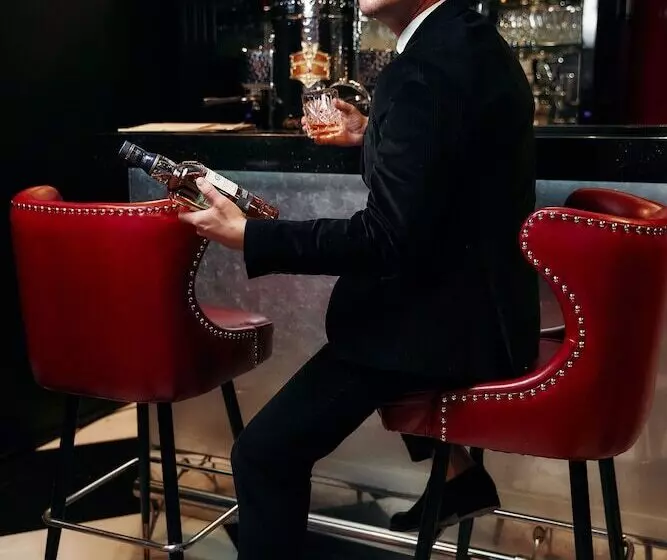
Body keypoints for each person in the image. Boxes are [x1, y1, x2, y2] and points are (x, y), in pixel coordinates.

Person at [177, 0, 540, 557]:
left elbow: (384, 239)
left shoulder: (420, 71)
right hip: (491, 310)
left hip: (443, 327)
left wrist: (250, 235)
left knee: (263, 455)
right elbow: (447, 165)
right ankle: (458, 476)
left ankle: (458, 474)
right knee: (366, 316)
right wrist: (373, 132)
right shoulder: (471, 41)